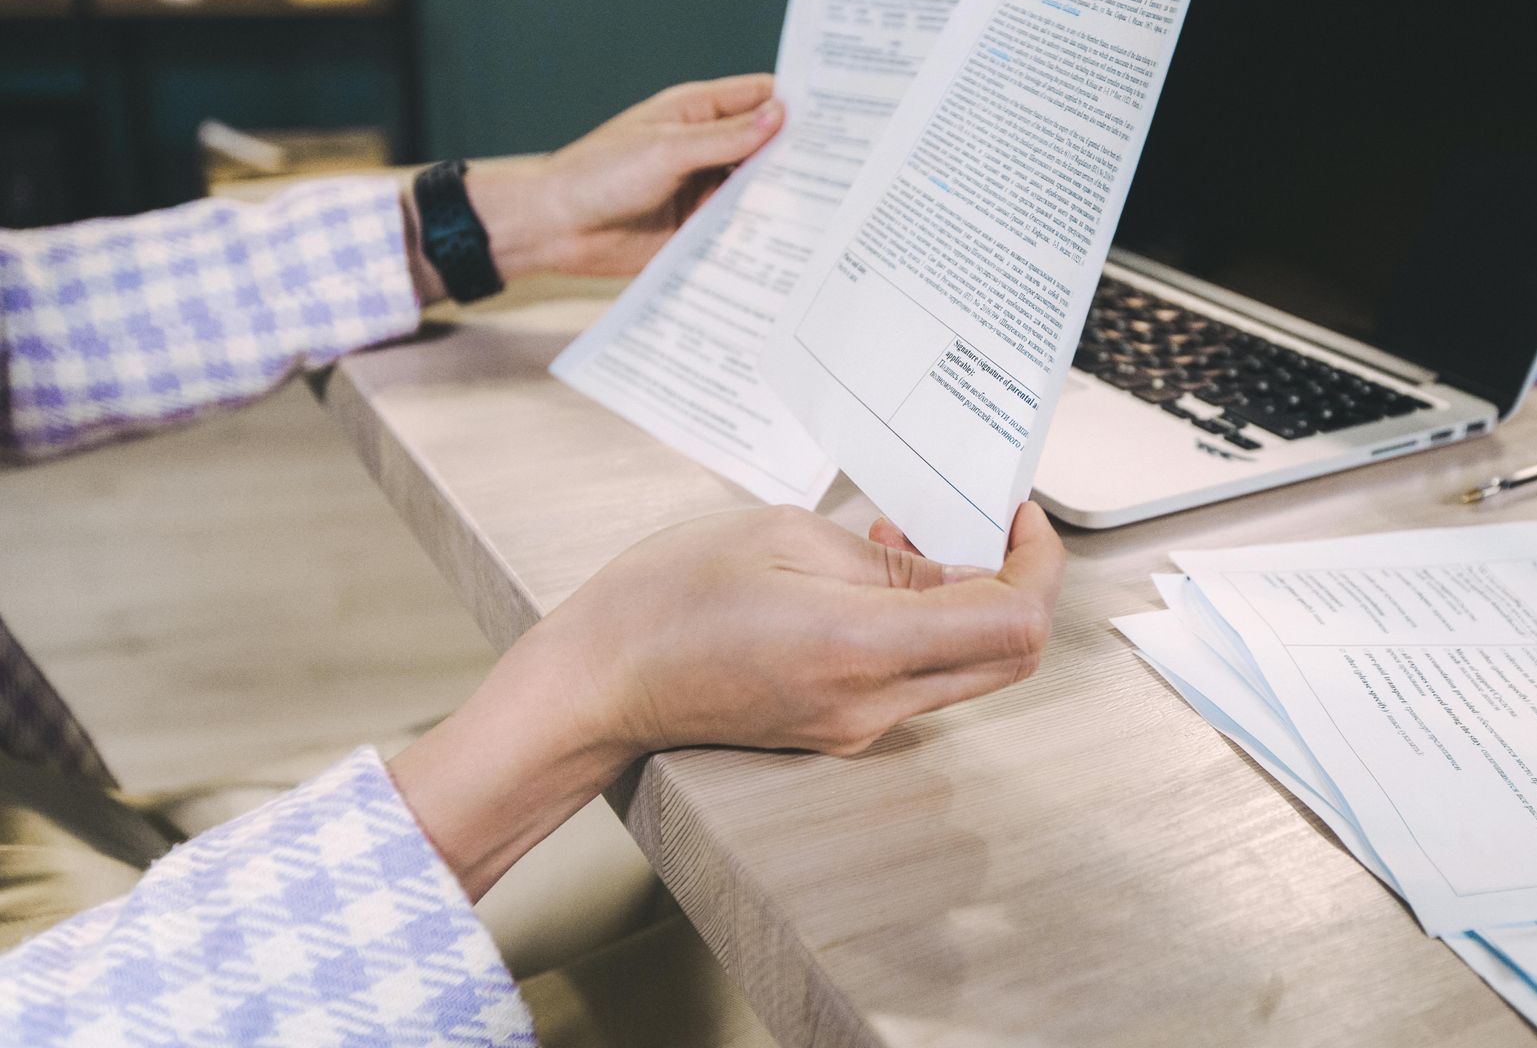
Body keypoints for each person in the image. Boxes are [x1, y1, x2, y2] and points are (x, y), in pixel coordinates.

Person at [0, 73, 1065, 1044]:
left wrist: (495, 218)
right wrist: (595, 688)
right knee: (909, 966)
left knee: (757, 828)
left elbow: (20, 319)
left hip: (62, 837)